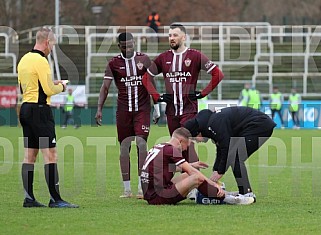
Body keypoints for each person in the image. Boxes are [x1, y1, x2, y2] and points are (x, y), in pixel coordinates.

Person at [142, 23, 224, 164]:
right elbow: (146, 78)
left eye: (175, 35)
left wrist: (203, 93)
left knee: (187, 145)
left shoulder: (195, 55)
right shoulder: (163, 58)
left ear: (184, 37)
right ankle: (188, 181)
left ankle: (197, 182)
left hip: (189, 110)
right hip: (171, 111)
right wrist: (157, 96)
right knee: (177, 147)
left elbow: (218, 74)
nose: (171, 38)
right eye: (169, 35)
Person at [17, 27, 78, 208]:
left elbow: (24, 88)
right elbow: (49, 90)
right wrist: (62, 86)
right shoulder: (42, 61)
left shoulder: (24, 60)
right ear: (46, 42)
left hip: (26, 109)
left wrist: (53, 84)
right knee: (51, 154)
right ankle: (56, 199)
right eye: (52, 44)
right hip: (40, 111)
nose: (52, 48)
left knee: (29, 155)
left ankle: (29, 198)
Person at [95, 32, 160, 199]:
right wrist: (99, 108)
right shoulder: (114, 63)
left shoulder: (144, 59)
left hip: (143, 109)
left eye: (131, 45)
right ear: (119, 46)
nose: (129, 48)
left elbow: (152, 83)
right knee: (125, 146)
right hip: (123, 111)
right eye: (125, 46)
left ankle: (141, 187)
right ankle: (126, 189)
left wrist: (157, 106)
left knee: (141, 144)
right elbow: (105, 87)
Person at [140, 127, 255, 205]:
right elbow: (193, 172)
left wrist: (192, 164)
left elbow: (165, 168)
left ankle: (227, 194)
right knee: (195, 177)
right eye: (187, 145)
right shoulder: (172, 150)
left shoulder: (160, 146)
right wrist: (213, 184)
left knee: (187, 175)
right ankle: (230, 199)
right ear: (180, 141)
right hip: (159, 196)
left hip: (151, 193)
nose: (185, 149)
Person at [184, 107, 276, 200]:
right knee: (234, 155)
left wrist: (220, 171)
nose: (197, 141)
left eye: (195, 138)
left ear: (198, 132)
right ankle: (245, 192)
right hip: (257, 124)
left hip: (259, 124)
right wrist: (216, 170)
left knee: (235, 156)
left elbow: (226, 148)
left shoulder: (214, 124)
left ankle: (247, 194)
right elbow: (220, 148)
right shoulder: (211, 124)